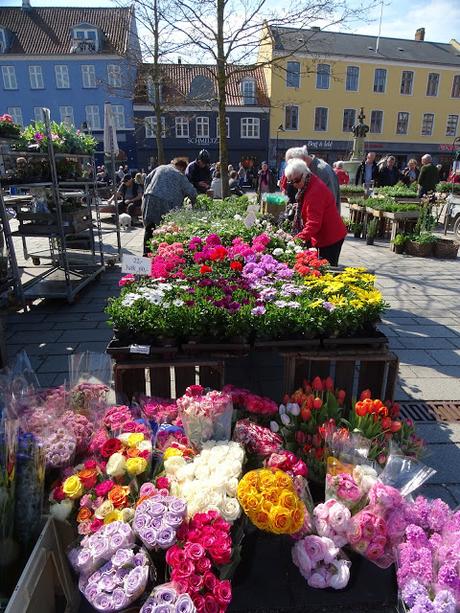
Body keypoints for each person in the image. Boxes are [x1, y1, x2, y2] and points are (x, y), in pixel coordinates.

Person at [284, 158, 347, 266]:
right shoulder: (309, 182)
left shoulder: (315, 191)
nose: (294, 184)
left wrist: (296, 240)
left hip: (330, 237)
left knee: (326, 270)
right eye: (291, 181)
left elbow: (313, 224)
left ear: (304, 174)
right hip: (325, 235)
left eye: (296, 180)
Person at [142, 159, 197, 256]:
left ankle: (146, 254)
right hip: (167, 202)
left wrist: (147, 193)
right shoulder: (179, 175)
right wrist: (194, 204)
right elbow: (191, 192)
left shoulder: (160, 167)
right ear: (182, 168)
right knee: (166, 229)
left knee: (149, 227)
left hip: (150, 197)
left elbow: (147, 179)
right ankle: (160, 255)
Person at [282, 146, 341, 213]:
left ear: (302, 160)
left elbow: (329, 202)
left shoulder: (322, 171)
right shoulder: (307, 171)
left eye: (293, 165)